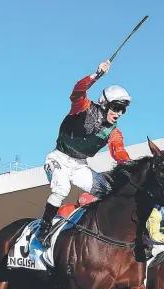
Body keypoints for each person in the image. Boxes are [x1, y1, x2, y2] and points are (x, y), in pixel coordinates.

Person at [35, 60, 132, 247]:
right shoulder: (84, 107)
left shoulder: (114, 132)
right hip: (58, 158)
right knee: (61, 188)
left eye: (123, 110)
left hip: (80, 165)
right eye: (117, 107)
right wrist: (97, 74)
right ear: (105, 104)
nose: (119, 113)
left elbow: (118, 151)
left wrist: (129, 166)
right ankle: (44, 228)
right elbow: (77, 92)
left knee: (108, 191)